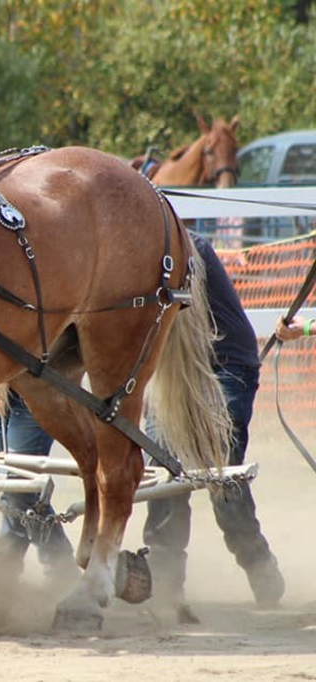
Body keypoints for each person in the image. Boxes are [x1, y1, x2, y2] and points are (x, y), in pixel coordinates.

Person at [144, 232, 285, 624]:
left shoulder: (189, 248)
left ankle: (260, 569)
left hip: (225, 367)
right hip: (172, 372)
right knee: (165, 474)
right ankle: (166, 588)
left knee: (222, 479)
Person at [0, 386, 80, 587]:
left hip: (34, 393)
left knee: (18, 488)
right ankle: (61, 568)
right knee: (16, 490)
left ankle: (4, 569)